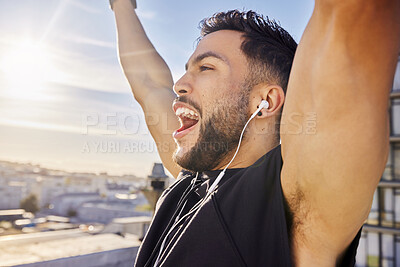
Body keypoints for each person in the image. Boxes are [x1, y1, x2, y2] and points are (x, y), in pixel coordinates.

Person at [110, 0, 400, 266]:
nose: (180, 84)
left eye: (206, 67)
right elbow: (148, 83)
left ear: (266, 103)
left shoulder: (298, 203)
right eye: (187, 69)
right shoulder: (190, 175)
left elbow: (356, 12)